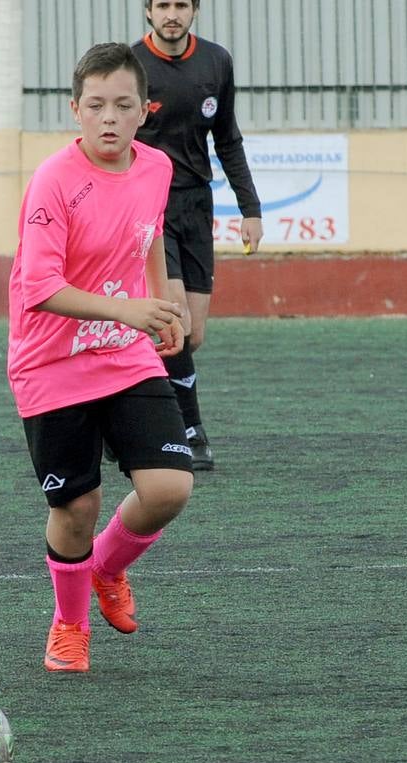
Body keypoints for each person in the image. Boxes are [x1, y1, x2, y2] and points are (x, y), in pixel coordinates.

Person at [8, 42, 193, 673]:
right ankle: (69, 623)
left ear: (146, 110)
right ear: (75, 111)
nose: (109, 117)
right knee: (76, 507)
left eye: (122, 104)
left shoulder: (157, 168)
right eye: (95, 105)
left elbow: (149, 237)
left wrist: (167, 303)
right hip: (50, 362)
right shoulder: (54, 181)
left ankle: (107, 569)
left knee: (169, 487)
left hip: (126, 353)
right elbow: (40, 289)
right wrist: (128, 311)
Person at [132, 0, 263, 470]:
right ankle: (189, 431)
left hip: (196, 206)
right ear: (147, 12)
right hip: (148, 208)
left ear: (194, 11)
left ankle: (117, 415)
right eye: (162, 5)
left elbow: (227, 137)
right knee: (173, 321)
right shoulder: (132, 66)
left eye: (181, 5)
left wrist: (250, 209)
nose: (172, 14)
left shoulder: (216, 62)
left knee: (192, 334)